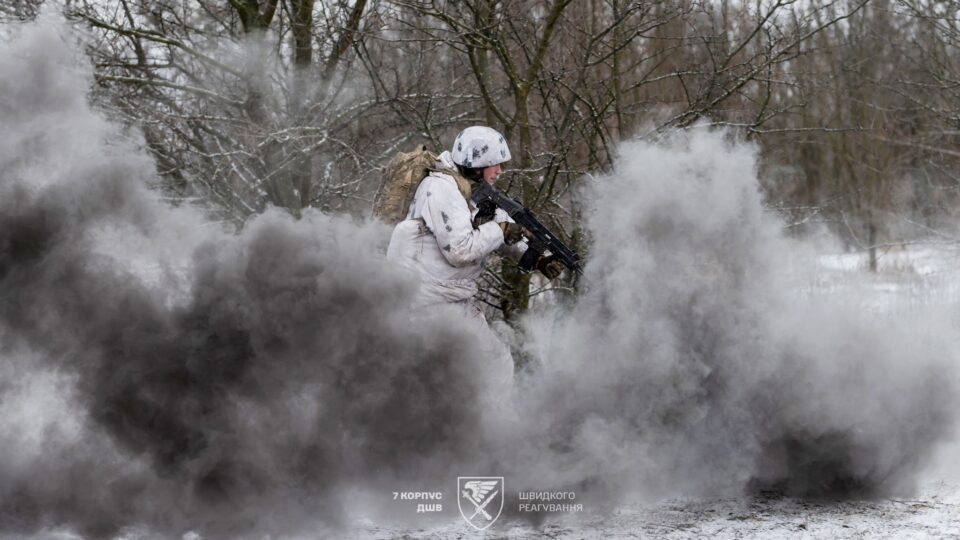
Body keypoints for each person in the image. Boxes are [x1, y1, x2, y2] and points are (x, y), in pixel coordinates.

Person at [386, 126, 564, 382]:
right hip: (427, 302)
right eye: (495, 164)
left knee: (491, 365)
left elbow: (499, 233)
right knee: (484, 368)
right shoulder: (440, 188)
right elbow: (460, 250)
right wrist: (501, 230)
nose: (500, 171)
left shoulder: (470, 190)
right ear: (476, 164)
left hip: (450, 299)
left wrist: (537, 259)